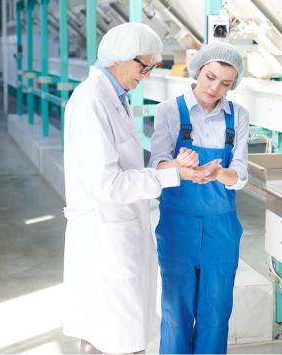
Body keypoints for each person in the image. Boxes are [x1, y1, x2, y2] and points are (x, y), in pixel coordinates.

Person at [62, 22, 204, 354]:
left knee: (115, 333)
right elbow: (109, 184)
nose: (148, 75)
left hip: (117, 230)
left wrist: (168, 168)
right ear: (123, 58)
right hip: (105, 235)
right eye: (146, 66)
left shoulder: (114, 96)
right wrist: (170, 177)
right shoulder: (91, 101)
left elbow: (121, 166)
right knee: (114, 336)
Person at [149, 42, 249, 354]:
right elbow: (157, 164)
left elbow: (241, 173)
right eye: (210, 77)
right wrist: (179, 166)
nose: (214, 87)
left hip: (222, 227)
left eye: (225, 84)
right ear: (197, 71)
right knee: (176, 312)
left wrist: (220, 173)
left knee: (216, 313)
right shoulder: (169, 111)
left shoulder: (238, 116)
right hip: (178, 225)